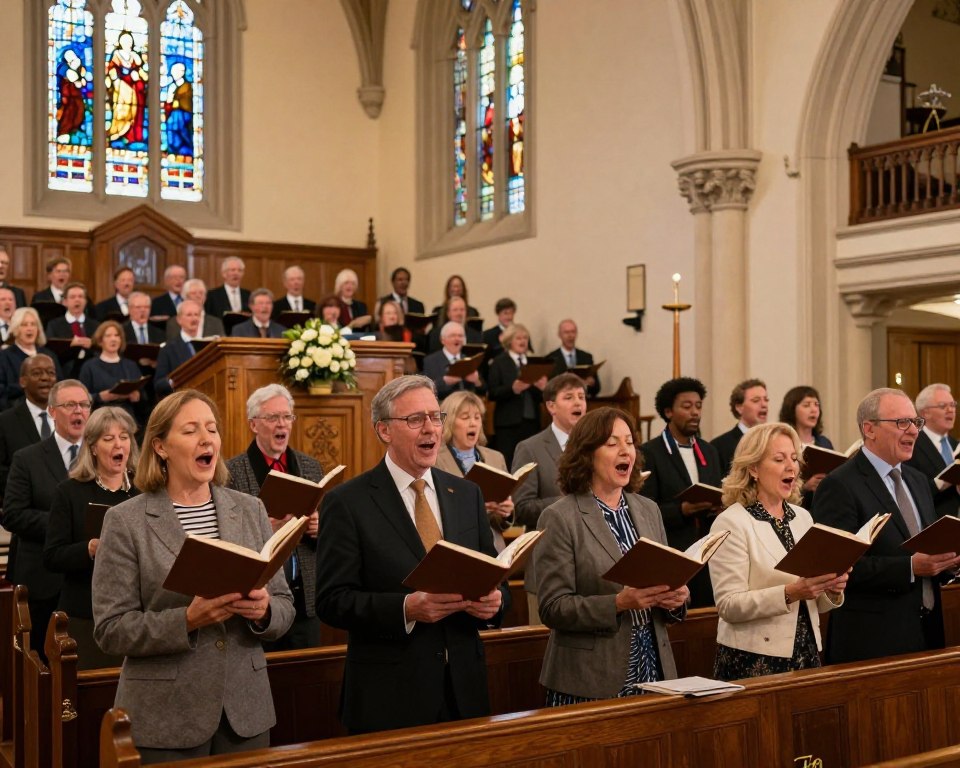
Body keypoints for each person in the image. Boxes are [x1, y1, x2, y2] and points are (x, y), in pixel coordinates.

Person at [91, 390, 294, 762]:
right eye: (190, 430)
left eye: (212, 429)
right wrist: (187, 620)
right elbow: (110, 629)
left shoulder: (250, 509)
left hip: (244, 712)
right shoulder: (125, 521)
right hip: (166, 715)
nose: (207, 439)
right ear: (160, 447)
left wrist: (264, 612)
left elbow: (284, 606)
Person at [316, 375, 506, 734]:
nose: (431, 429)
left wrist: (495, 603)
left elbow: (494, 577)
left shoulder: (467, 495)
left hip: (464, 693)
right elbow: (332, 600)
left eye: (436, 417)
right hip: (390, 697)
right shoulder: (348, 502)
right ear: (384, 430)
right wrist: (406, 609)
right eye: (415, 420)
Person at [535, 407, 687, 705]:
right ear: (587, 453)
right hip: (590, 678)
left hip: (654, 668)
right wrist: (618, 604)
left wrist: (676, 599)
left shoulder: (648, 509)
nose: (625, 451)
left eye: (629, 442)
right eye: (612, 443)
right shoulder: (560, 517)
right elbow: (553, 607)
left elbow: (667, 579)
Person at [814, 387, 960, 663]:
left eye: (915, 422)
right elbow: (834, 569)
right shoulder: (840, 485)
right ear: (869, 429)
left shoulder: (917, 481)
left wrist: (947, 562)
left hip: (927, 630)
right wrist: (909, 567)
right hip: (873, 638)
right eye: (901, 422)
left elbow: (926, 547)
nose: (914, 431)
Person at [708, 423, 847, 681]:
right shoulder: (732, 522)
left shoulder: (802, 517)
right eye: (779, 459)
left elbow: (813, 602)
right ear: (753, 468)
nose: (791, 467)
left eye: (794, 459)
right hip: (754, 657)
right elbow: (728, 605)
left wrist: (831, 588)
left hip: (806, 650)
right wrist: (791, 592)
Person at [226, 384, 323, 650]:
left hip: (306, 604)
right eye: (272, 418)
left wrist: (317, 528)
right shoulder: (230, 472)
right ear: (254, 424)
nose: (282, 424)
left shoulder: (311, 467)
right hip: (258, 602)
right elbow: (226, 540)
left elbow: (330, 538)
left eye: (287, 416)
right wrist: (267, 530)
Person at [43, 407, 139, 669]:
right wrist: (89, 548)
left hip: (134, 616)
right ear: (93, 447)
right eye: (108, 439)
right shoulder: (70, 492)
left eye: (124, 436)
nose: (118, 444)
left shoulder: (143, 493)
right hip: (84, 614)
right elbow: (52, 556)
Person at [2, 379, 89, 657]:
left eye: (85, 405)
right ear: (52, 411)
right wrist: (62, 524)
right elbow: (13, 515)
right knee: (40, 664)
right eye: (70, 405)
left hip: (88, 581)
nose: (79, 411)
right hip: (42, 580)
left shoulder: (103, 457)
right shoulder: (27, 458)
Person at [639, 377, 723, 608]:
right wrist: (681, 510)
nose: (695, 412)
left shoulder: (709, 451)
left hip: (707, 553)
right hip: (673, 549)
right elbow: (645, 508)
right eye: (687, 407)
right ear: (668, 411)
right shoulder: (650, 452)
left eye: (698, 406)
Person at [512, 372, 587, 622]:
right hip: (549, 565)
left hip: (591, 570)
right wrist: (571, 501)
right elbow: (521, 507)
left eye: (581, 396)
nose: (578, 403)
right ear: (551, 406)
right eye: (569, 397)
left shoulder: (596, 447)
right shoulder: (530, 448)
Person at [435, 390, 514, 551]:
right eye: (465, 417)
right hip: (455, 549)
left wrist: (506, 512)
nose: (473, 423)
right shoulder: (435, 460)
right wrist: (477, 509)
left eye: (477, 418)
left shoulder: (496, 458)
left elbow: (501, 524)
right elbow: (435, 514)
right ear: (449, 422)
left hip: (493, 549)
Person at [487, 323, 547, 467]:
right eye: (518, 338)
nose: (522, 341)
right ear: (509, 341)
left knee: (531, 462)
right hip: (507, 423)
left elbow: (542, 398)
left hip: (531, 421)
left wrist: (544, 388)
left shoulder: (534, 364)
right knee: (509, 462)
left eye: (525, 338)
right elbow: (492, 392)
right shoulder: (499, 362)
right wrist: (512, 389)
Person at [0, 355, 57, 498]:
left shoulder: (69, 419)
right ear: (22, 381)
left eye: (50, 372)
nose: (45, 378)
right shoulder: (5, 422)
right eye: (37, 373)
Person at [906, 383, 960, 520]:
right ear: (925, 413)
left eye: (953, 405)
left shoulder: (957, 445)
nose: (951, 410)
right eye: (943, 406)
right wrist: (942, 482)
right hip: (932, 525)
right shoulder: (911, 445)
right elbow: (909, 493)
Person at [779, 385, 835, 508]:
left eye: (816, 404)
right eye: (806, 405)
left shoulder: (824, 443)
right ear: (792, 409)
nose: (814, 409)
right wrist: (805, 486)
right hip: (794, 506)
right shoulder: (784, 443)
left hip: (824, 506)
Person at [79, 320, 144, 422]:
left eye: (117, 335)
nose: (113, 339)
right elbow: (81, 398)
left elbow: (143, 396)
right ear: (100, 341)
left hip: (127, 419)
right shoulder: (89, 366)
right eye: (108, 336)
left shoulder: (130, 365)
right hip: (100, 419)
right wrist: (100, 397)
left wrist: (137, 395)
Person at [0, 307, 63, 408]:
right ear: (15, 329)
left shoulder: (49, 355)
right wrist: (28, 386)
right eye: (24, 325)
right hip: (16, 409)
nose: (30, 328)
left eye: (33, 324)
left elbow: (59, 384)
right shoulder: (4, 356)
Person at [711, 378, 769, 477]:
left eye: (766, 400)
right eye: (756, 400)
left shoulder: (773, 441)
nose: (764, 405)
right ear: (739, 407)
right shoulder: (718, 446)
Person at [45, 281, 99, 378]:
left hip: (91, 373)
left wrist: (92, 345)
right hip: (64, 373)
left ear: (86, 301)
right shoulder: (54, 325)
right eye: (73, 297)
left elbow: (102, 350)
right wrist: (69, 345)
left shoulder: (95, 325)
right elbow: (50, 352)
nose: (77, 300)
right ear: (65, 302)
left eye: (80, 297)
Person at [155, 300, 203, 399]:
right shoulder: (168, 349)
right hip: (181, 399)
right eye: (189, 315)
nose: (194, 318)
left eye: (197, 315)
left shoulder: (208, 345)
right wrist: (174, 381)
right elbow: (158, 384)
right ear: (179, 319)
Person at [106, 30, 147, 145]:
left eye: (129, 40)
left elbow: (139, 69)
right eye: (124, 40)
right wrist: (115, 81)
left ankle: (132, 136)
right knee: (121, 110)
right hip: (121, 87)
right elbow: (112, 69)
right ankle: (117, 132)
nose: (127, 42)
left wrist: (140, 76)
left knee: (135, 111)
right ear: (120, 41)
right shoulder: (117, 54)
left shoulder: (135, 55)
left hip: (134, 88)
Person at [422, 321, 483, 399]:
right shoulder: (430, 361)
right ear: (442, 340)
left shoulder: (469, 359)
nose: (457, 339)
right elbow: (427, 390)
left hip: (466, 405)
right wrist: (445, 382)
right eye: (452, 335)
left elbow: (483, 390)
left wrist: (476, 381)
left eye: (460, 336)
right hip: (443, 406)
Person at [546, 318, 600, 398]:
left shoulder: (586, 357)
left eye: (573, 332)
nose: (570, 336)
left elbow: (597, 388)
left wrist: (591, 384)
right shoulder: (550, 359)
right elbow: (548, 389)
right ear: (559, 335)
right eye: (566, 332)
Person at [162, 61, 193, 156]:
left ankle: (182, 149)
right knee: (170, 127)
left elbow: (186, 103)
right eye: (172, 72)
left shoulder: (187, 86)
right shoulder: (172, 86)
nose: (172, 74)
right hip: (173, 114)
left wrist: (177, 103)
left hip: (183, 115)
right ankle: (172, 148)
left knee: (177, 125)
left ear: (182, 72)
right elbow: (169, 102)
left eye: (175, 72)